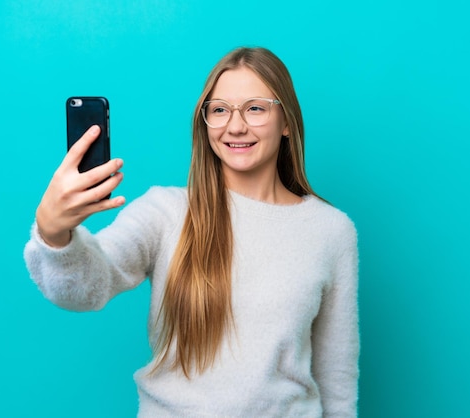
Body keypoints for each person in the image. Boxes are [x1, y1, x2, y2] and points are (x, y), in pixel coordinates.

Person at [24, 46, 359, 417]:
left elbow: (336, 378)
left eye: (255, 108)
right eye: (219, 110)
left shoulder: (331, 231)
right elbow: (86, 288)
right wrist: (54, 233)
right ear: (204, 123)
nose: (235, 126)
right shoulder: (165, 212)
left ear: (286, 122)